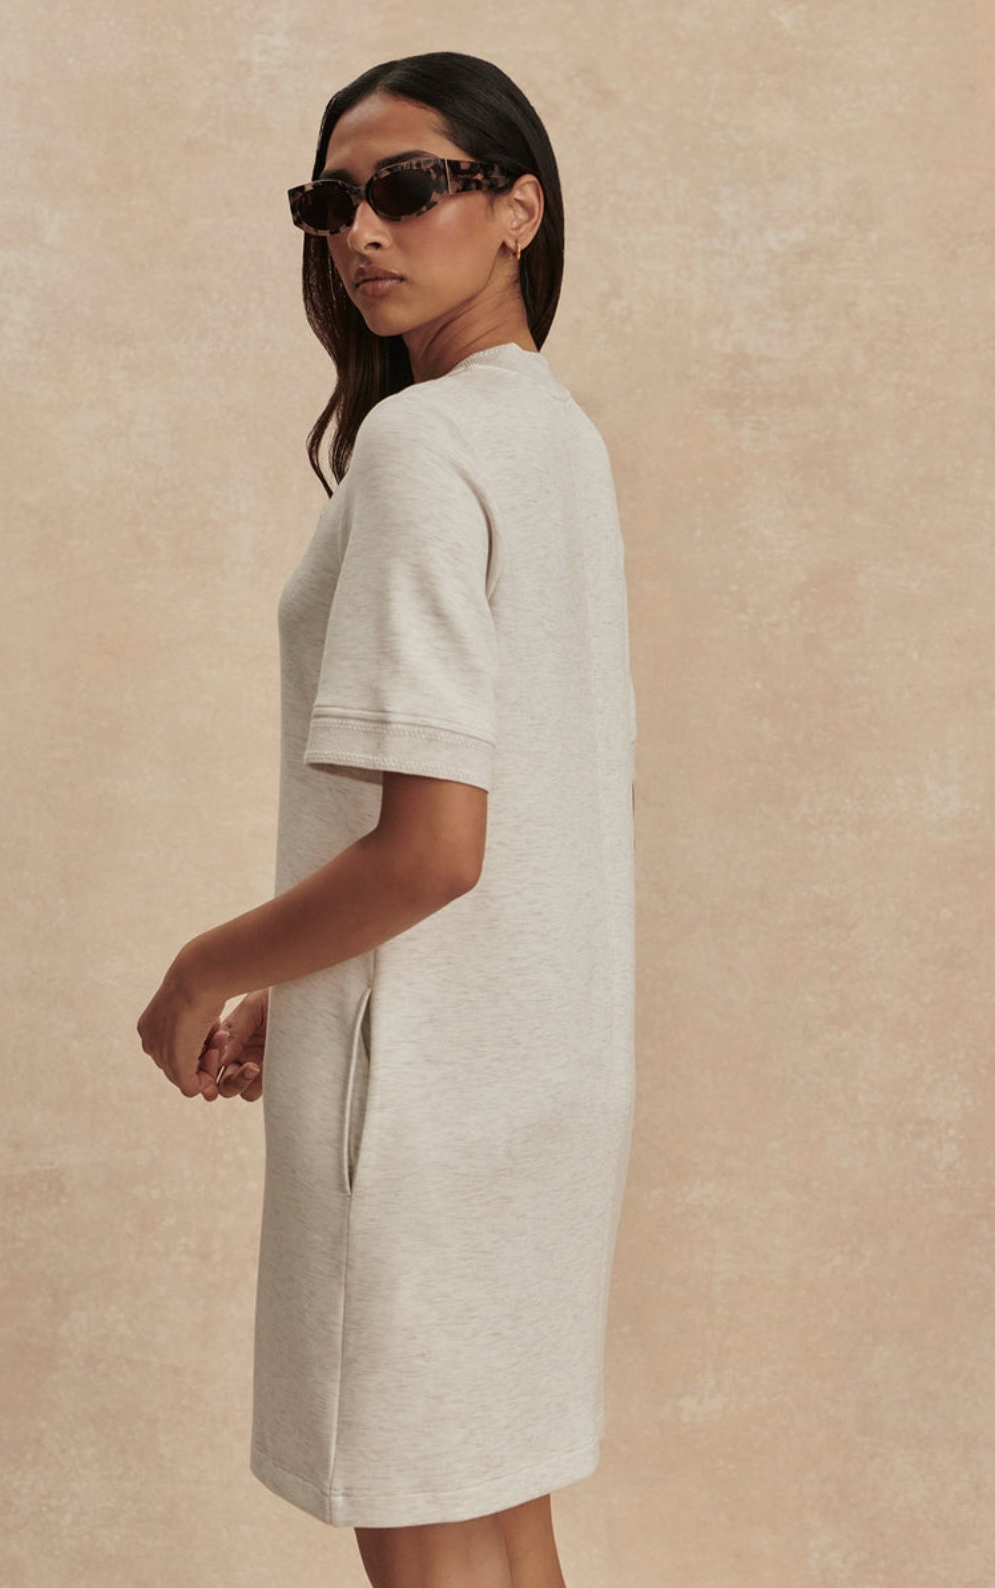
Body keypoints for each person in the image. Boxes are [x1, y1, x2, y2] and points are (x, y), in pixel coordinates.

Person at [137, 50, 637, 1588]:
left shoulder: (424, 448)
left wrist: (203, 970)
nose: (360, 231)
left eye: (408, 188)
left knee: (430, 1540)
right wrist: (308, 993)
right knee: (498, 1518)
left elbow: (431, 849)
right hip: (538, 1075)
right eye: (329, 202)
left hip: (419, 1103)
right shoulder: (550, 436)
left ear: (517, 209)